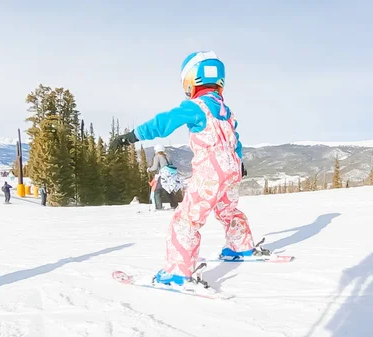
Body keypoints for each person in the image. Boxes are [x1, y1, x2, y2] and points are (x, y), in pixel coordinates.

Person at [111, 50, 264, 288]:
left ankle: (177, 271)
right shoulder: (226, 111)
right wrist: (240, 161)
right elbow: (236, 140)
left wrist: (132, 136)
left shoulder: (195, 107)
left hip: (211, 172)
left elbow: (164, 122)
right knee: (228, 209)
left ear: (191, 81)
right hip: (231, 170)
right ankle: (240, 246)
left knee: (187, 219)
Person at [147, 144, 179, 210]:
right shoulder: (168, 156)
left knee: (157, 191)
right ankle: (175, 205)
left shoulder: (157, 156)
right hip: (171, 175)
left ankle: (159, 207)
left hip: (163, 175)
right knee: (168, 190)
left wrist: (149, 169)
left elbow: (155, 167)